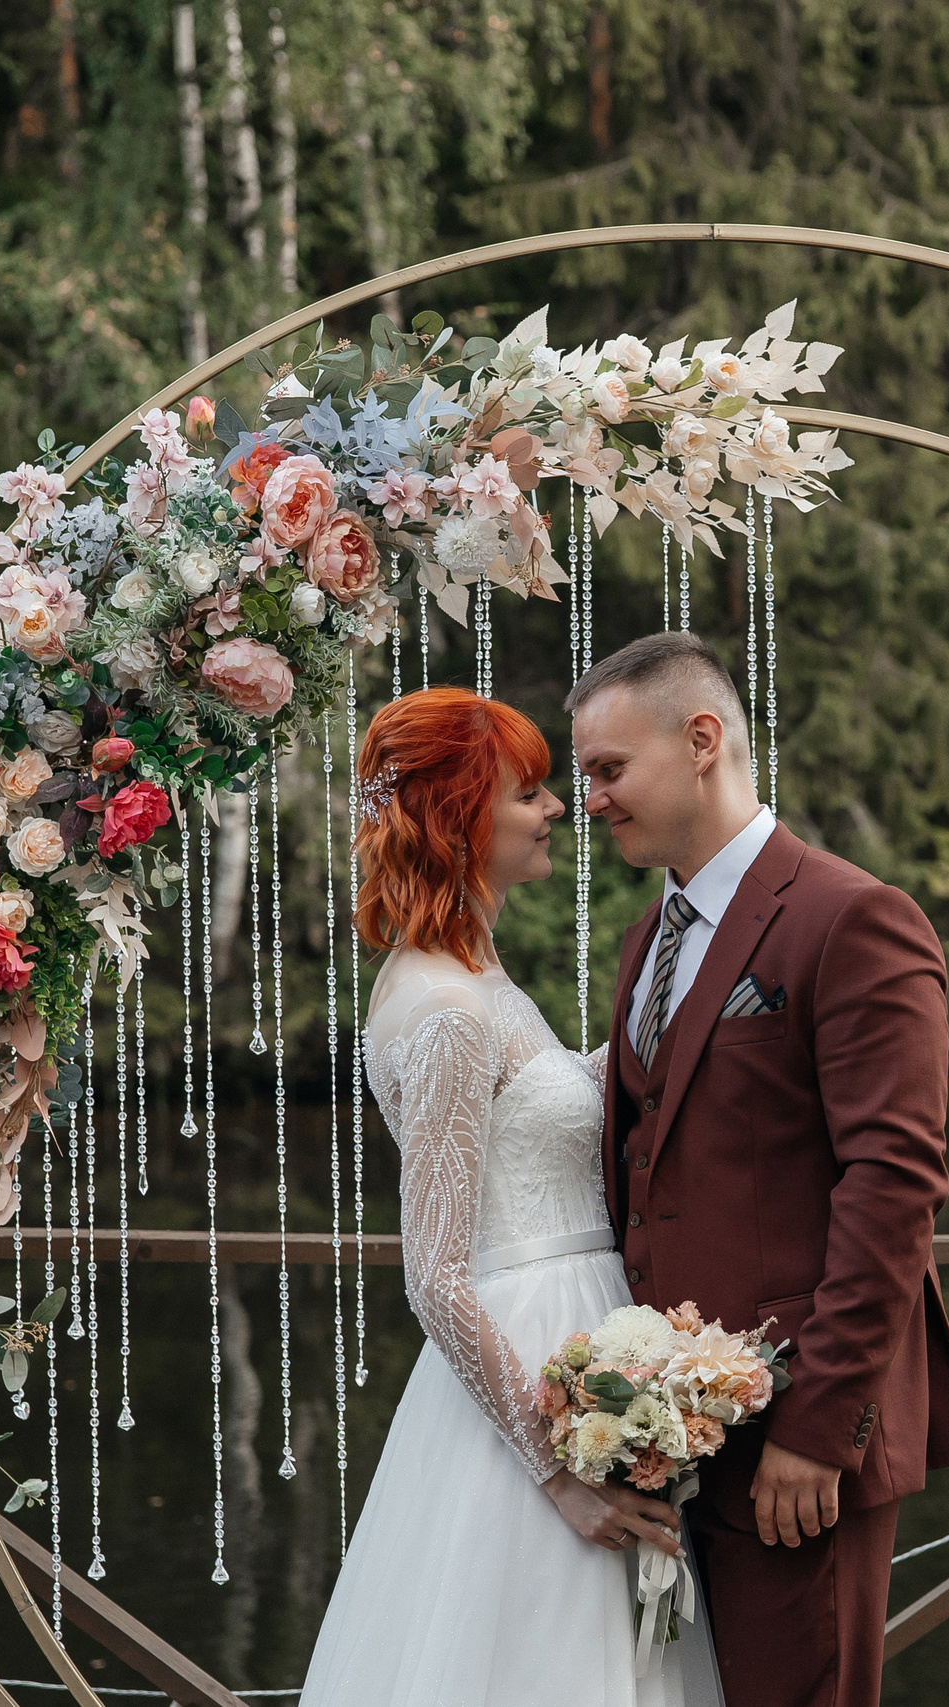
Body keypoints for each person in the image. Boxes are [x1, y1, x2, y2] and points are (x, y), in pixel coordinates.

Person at [569, 632, 949, 1707]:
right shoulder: (645, 940)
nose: (591, 800)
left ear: (701, 740)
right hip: (666, 1440)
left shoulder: (852, 916)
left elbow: (894, 1185)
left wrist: (816, 1428)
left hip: (795, 1446)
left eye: (609, 769)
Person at [300, 687, 723, 1707]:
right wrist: (560, 1473)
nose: (557, 808)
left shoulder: (474, 977)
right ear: (458, 817)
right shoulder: (447, 1009)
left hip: (575, 1334)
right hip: (529, 1370)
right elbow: (437, 1276)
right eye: (528, 793)